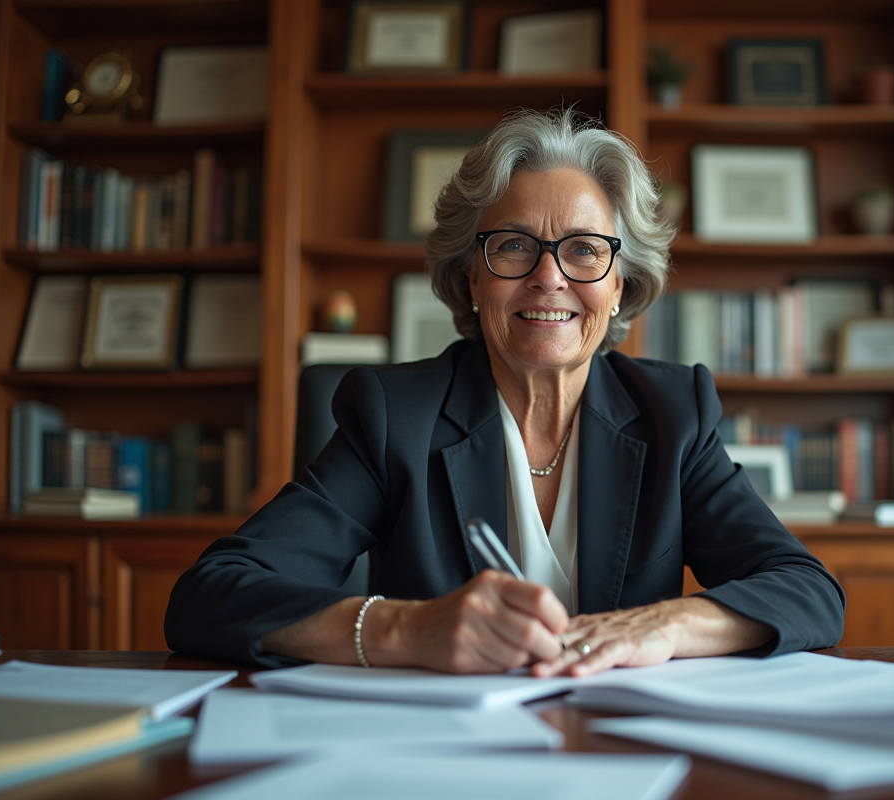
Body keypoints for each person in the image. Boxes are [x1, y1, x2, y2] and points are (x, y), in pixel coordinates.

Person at [165, 108, 845, 675]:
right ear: (471, 277)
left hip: (617, 757)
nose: (549, 278)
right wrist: (406, 629)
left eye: (584, 250)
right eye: (514, 246)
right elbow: (211, 596)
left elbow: (808, 591)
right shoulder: (393, 418)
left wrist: (666, 625)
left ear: (621, 285)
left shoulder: (673, 416)